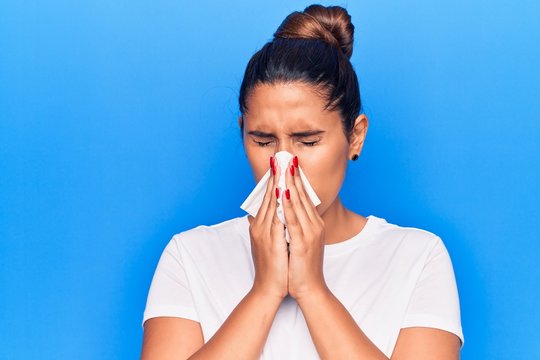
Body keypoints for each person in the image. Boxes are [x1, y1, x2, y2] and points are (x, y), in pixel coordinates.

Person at [140, 4, 464, 359]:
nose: (283, 164)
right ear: (242, 135)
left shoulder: (417, 257)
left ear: (354, 138)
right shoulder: (190, 255)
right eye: (263, 141)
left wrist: (312, 289)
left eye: (307, 141)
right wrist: (264, 291)